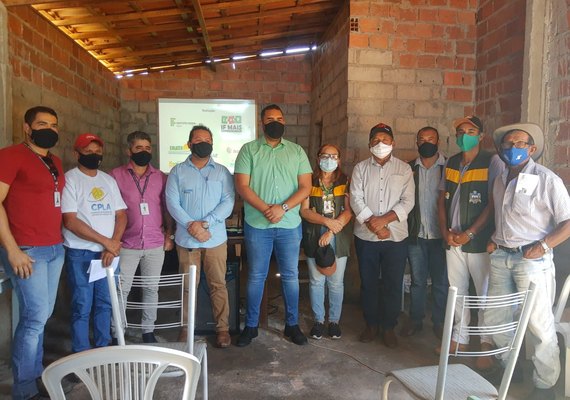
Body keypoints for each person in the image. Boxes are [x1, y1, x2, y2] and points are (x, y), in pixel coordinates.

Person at [484, 123, 570, 400]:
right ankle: (509, 368)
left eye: (520, 143)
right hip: (501, 257)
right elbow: (503, 214)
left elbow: (568, 222)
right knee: (496, 319)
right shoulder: (500, 179)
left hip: (532, 261)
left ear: (532, 149)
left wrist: (543, 246)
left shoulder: (547, 179)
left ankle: (545, 385)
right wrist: (495, 239)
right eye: (508, 144)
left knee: (538, 325)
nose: (513, 148)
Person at [0, 106, 66, 400]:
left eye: (53, 125)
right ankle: (24, 389)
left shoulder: (55, 161)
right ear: (27, 127)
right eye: (42, 124)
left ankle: (36, 375)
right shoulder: (10, 156)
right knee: (34, 318)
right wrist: (12, 249)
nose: (49, 129)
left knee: (42, 315)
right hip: (27, 250)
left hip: (54, 248)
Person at [235, 104, 312, 347]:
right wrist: (267, 209)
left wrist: (283, 208)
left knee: (290, 276)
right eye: (270, 119)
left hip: (289, 224)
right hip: (258, 224)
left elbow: (305, 187)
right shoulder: (249, 150)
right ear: (262, 123)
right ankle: (251, 326)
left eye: (280, 118)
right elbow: (243, 186)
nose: (276, 122)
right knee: (256, 276)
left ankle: (291, 325)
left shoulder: (297, 151)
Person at [437, 115, 504, 355]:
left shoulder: (492, 161)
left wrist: (471, 233)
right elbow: (442, 200)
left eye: (471, 130)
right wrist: (445, 232)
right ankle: (460, 337)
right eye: (460, 131)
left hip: (478, 241)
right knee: (457, 291)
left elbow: (493, 203)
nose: (465, 135)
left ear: (481, 136)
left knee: (484, 294)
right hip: (452, 239)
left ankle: (486, 342)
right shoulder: (452, 162)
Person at [166, 125, 235, 348]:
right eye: (198, 139)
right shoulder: (177, 171)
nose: (203, 142)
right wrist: (190, 225)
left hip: (215, 238)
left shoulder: (222, 172)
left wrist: (205, 224)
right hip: (187, 239)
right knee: (188, 285)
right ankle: (186, 328)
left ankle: (222, 328)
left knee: (218, 284)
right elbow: (172, 203)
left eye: (207, 139)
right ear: (189, 144)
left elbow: (228, 202)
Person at [350, 123, 414, 348]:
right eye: (375, 140)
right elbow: (355, 199)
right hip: (366, 237)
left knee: (392, 283)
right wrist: (373, 224)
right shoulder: (360, 169)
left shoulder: (404, 169)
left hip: (395, 237)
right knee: (368, 283)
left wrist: (384, 221)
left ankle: (388, 327)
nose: (380, 144)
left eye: (385, 140)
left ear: (393, 143)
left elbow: (408, 201)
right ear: (369, 144)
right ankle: (371, 325)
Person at [62, 133, 127, 353]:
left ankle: (103, 349)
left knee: (105, 303)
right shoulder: (70, 179)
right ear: (76, 153)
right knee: (82, 306)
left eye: (97, 152)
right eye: (88, 152)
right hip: (81, 253)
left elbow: (121, 215)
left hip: (108, 254)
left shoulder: (107, 180)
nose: (94, 156)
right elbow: (70, 221)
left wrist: (114, 243)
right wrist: (107, 243)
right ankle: (81, 354)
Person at [110, 131, 175, 343]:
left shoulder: (160, 177)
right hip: (127, 243)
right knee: (122, 290)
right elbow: (111, 212)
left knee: (151, 288)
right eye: (139, 148)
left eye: (148, 148)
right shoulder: (115, 176)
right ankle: (116, 331)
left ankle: (148, 331)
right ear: (129, 151)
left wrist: (169, 234)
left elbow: (166, 208)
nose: (144, 152)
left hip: (155, 241)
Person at [300, 144, 353, 340]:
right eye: (325, 155)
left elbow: (348, 211)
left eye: (334, 156)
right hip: (314, 234)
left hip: (338, 236)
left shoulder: (345, 181)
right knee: (316, 281)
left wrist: (331, 230)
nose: (329, 159)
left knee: (336, 282)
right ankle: (319, 321)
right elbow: (304, 211)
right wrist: (324, 221)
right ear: (318, 157)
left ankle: (334, 322)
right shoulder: (309, 181)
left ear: (339, 159)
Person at [400, 127, 448, 340]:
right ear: (416, 142)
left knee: (441, 282)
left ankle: (439, 322)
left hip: (442, 236)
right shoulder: (408, 169)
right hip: (416, 235)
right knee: (418, 282)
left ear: (439, 141)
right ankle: (416, 320)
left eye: (431, 139)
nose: (426, 142)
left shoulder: (449, 168)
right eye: (422, 139)